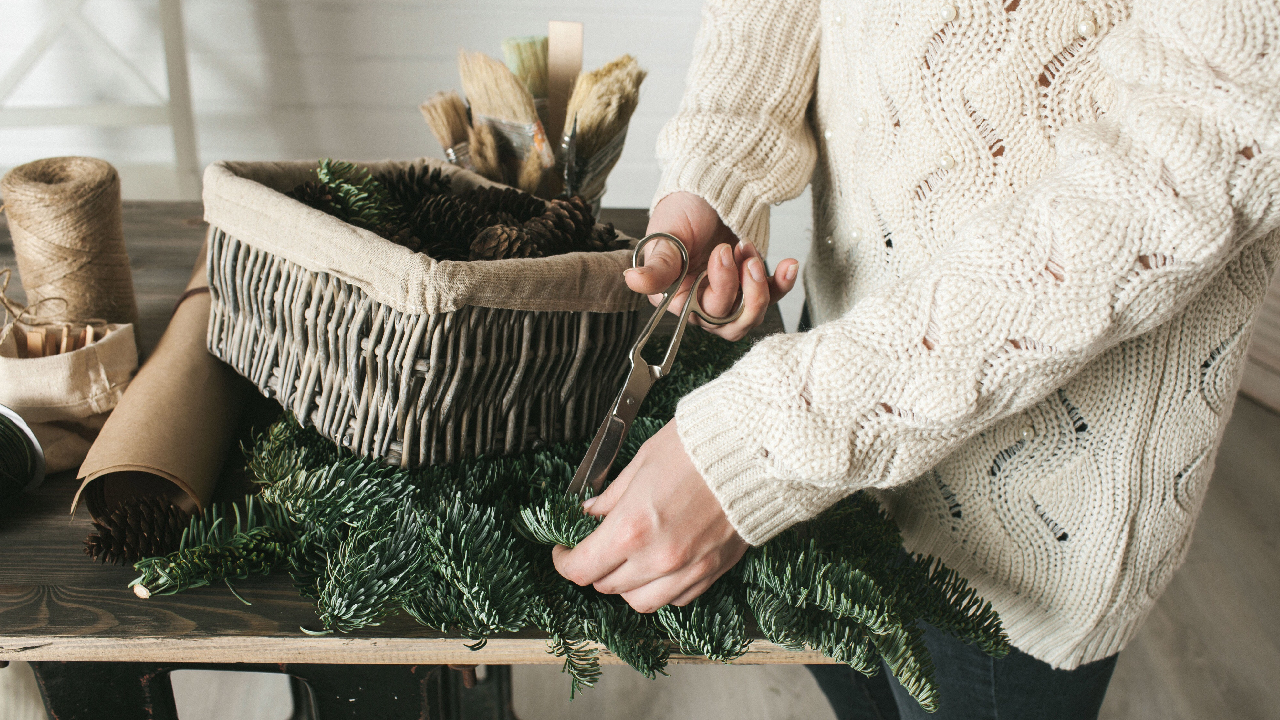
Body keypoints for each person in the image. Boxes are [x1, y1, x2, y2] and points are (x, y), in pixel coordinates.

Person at [553, 0, 1280, 716]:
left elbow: (1210, 144)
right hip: (837, 349)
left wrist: (779, 432)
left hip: (1034, 491)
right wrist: (715, 172)